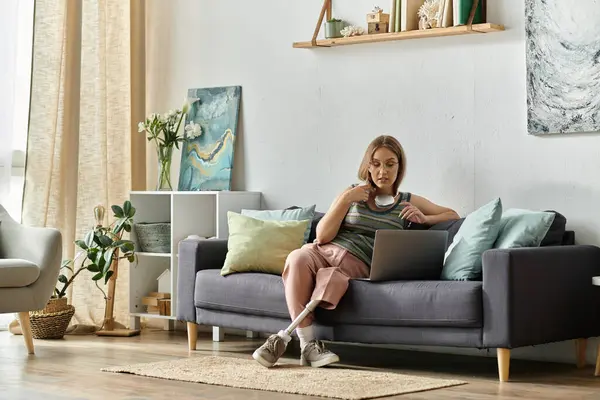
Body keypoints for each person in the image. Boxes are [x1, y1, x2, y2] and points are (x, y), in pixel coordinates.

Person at [252, 135, 460, 368]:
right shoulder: (351, 193)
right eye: (376, 163)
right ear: (368, 166)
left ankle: (302, 343)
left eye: (390, 164)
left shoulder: (407, 201)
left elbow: (451, 214)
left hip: (357, 263)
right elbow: (321, 236)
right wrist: (346, 200)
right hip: (324, 251)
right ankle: (308, 345)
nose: (383, 171)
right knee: (297, 258)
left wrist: (424, 218)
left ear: (399, 167)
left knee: (330, 279)